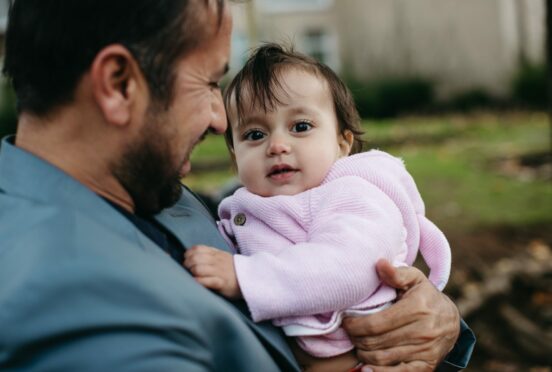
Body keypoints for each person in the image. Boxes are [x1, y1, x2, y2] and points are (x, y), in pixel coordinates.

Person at [0, 0, 474, 371]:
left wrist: (440, 326)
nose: (217, 118)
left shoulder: (144, 186)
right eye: (207, 84)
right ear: (120, 84)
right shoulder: (72, 311)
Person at [183, 44, 452, 368]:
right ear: (234, 157)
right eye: (255, 134)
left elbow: (347, 266)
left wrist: (244, 277)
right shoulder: (246, 209)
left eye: (300, 127)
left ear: (342, 143)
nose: (277, 146)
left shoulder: (354, 195)